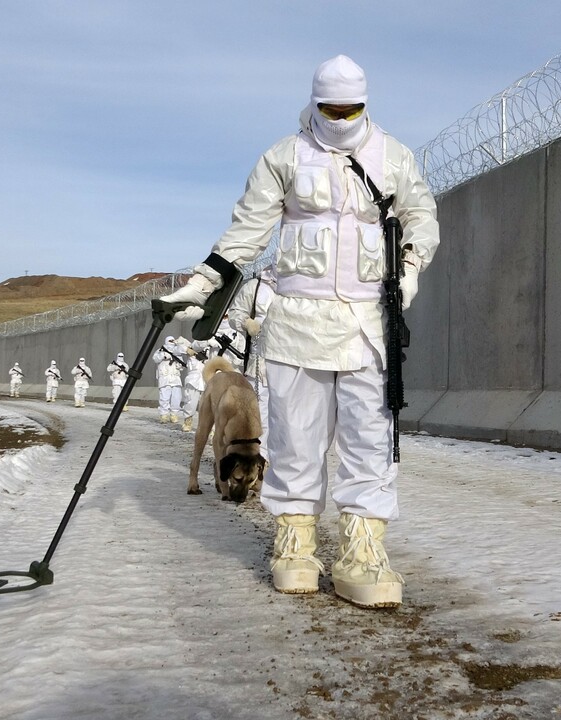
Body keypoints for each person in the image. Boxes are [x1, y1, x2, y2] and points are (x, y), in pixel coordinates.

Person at [160, 55, 439, 608]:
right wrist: (205, 279)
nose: (339, 118)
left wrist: (408, 268)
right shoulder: (284, 157)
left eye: (350, 109)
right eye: (330, 108)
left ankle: (363, 549)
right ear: (313, 103)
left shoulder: (394, 156)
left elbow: (422, 216)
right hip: (298, 323)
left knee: (370, 440)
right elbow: (248, 228)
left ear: (365, 104)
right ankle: (294, 543)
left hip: (367, 323)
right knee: (295, 439)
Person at [226, 265, 277, 458]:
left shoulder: (305, 284)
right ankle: (260, 460)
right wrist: (246, 323)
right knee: (259, 416)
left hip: (294, 360)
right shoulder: (255, 287)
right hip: (260, 362)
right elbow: (235, 312)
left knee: (289, 418)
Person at [152, 336, 185, 424]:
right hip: (165, 377)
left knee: (176, 398)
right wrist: (163, 356)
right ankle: (164, 415)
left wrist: (178, 365)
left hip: (175, 377)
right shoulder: (160, 350)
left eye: (172, 340)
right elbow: (155, 358)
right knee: (164, 397)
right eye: (169, 340)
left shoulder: (177, 350)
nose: (171, 342)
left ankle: (174, 414)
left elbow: (181, 364)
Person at [179, 339, 206, 433]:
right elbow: (177, 348)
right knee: (190, 402)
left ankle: (206, 426)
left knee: (207, 405)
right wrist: (187, 349)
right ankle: (188, 421)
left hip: (206, 379)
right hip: (193, 380)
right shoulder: (190, 351)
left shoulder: (210, 351)